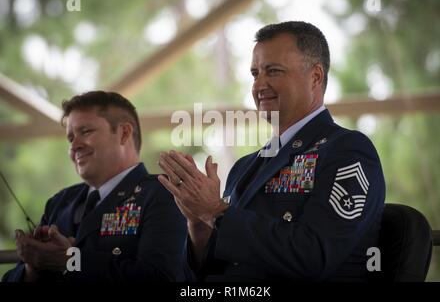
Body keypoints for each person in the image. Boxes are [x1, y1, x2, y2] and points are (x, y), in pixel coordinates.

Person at [158, 21, 386, 281]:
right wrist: (199, 223)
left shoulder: (347, 151)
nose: (259, 85)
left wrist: (215, 211)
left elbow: (314, 256)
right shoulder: (245, 166)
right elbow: (205, 275)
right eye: (255, 74)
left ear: (315, 77)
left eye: (274, 71)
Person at [3, 90, 186, 282]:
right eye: (71, 138)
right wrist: (34, 267)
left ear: (124, 133)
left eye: (86, 132)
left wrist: (71, 261)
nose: (75, 146)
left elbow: (161, 277)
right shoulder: (60, 202)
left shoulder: (163, 192)